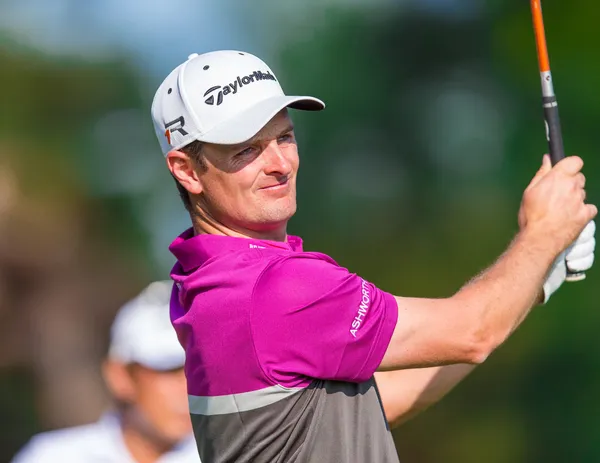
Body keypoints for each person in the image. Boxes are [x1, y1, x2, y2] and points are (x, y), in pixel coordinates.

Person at [150, 50, 596, 463]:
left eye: (284, 137)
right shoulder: (273, 288)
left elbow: (380, 397)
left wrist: (538, 275)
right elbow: (473, 332)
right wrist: (540, 235)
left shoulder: (209, 282)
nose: (280, 164)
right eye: (246, 149)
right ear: (187, 170)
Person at [12, 281, 201, 463]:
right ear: (119, 376)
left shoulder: (225, 455)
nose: (188, 387)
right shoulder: (51, 457)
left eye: (199, 370)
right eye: (167, 369)